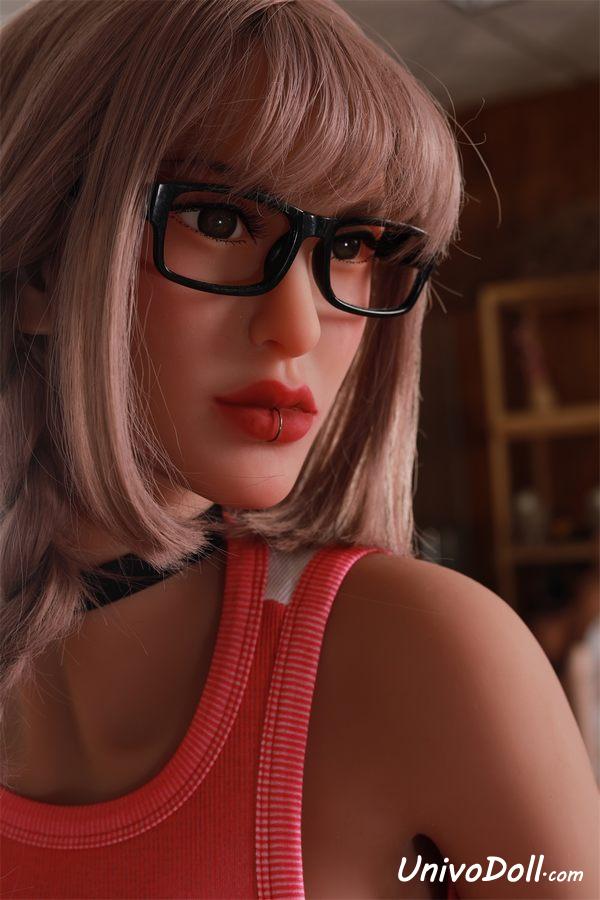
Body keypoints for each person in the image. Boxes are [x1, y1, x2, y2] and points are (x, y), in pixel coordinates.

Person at [0, 1, 597, 898]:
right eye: (219, 220)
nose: (298, 326)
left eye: (352, 244)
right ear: (39, 265)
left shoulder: (427, 659)